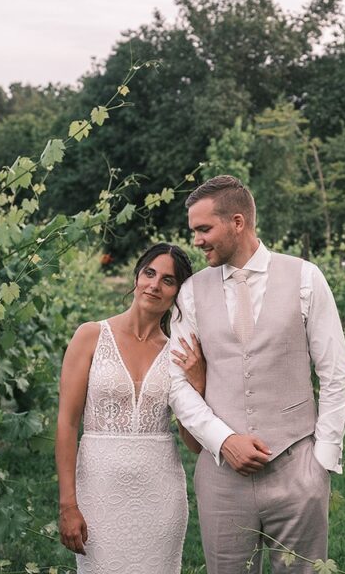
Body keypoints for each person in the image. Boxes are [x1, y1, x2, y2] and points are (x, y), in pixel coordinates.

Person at [169, 175, 345, 574]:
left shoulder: (306, 278)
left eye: (204, 229)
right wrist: (224, 439)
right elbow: (176, 382)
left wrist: (321, 462)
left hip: (297, 469)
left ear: (238, 222)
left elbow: (335, 374)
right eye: (193, 231)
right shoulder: (191, 292)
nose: (196, 240)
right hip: (221, 477)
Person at [55, 243, 207, 573]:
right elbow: (67, 424)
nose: (154, 285)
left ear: (178, 293)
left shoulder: (179, 353)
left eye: (168, 280)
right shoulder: (90, 336)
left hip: (161, 496)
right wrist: (68, 503)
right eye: (149, 273)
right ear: (136, 277)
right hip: (99, 491)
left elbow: (194, 444)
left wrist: (198, 382)